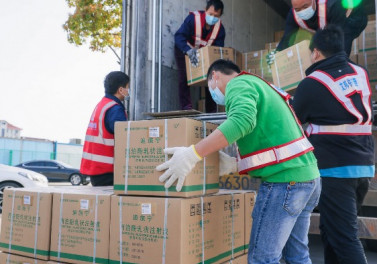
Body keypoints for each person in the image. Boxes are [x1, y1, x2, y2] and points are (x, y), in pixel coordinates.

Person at [156, 59, 321, 264]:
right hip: (308, 179)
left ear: (215, 76)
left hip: (286, 183)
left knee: (263, 259)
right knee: (297, 256)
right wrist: (236, 164)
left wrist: (192, 154)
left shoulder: (238, 84)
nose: (213, 94)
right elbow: (269, 137)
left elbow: (242, 122)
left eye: (210, 87)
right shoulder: (259, 86)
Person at [292, 25, 374, 264]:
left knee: (345, 238)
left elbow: (294, 123)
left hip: (335, 170)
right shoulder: (361, 73)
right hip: (363, 167)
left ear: (316, 53)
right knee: (331, 230)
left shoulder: (312, 83)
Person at [174, 0, 225, 112]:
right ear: (206, 10)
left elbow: (217, 50)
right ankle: (186, 107)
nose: (212, 17)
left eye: (216, 16)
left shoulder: (220, 29)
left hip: (204, 55)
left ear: (220, 16)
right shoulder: (193, 19)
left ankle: (211, 111)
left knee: (212, 78)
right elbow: (178, 36)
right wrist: (188, 50)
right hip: (185, 49)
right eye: (210, 14)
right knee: (184, 77)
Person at [80, 71, 129, 186]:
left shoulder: (102, 105)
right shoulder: (115, 109)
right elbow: (124, 138)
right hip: (107, 171)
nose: (128, 91)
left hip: (96, 169)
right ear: (120, 90)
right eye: (128, 88)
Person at [276, 0, 367, 56]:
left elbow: (340, 37)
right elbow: (286, 39)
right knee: (315, 48)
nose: (302, 11)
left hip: (352, 19)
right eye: (298, 9)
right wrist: (277, 54)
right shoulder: (293, 14)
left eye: (305, 6)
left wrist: (339, 61)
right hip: (325, 25)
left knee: (339, 47)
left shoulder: (332, 4)